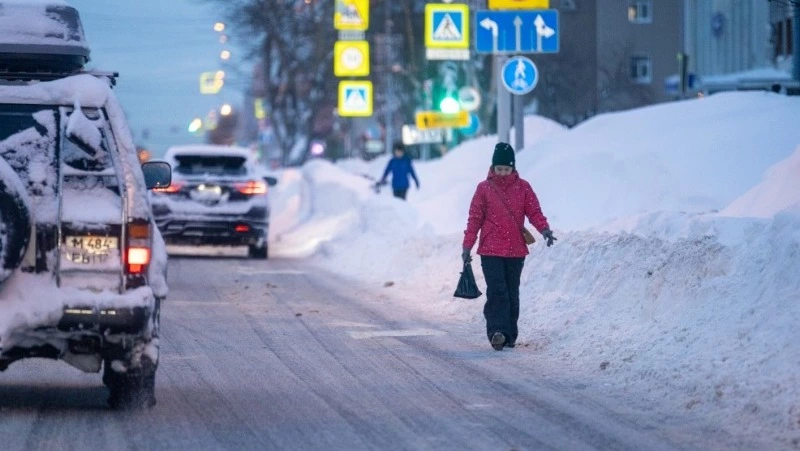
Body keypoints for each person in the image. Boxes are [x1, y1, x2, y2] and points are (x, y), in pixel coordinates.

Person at [461, 142, 556, 351]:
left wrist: (544, 229)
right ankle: (497, 332)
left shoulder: (523, 187)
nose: (502, 173)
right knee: (497, 291)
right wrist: (467, 246)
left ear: (513, 168)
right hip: (490, 250)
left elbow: (534, 212)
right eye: (499, 169)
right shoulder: (483, 189)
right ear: (492, 167)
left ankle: (510, 334)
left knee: (512, 292)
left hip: (515, 250)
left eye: (506, 169)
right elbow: (474, 219)